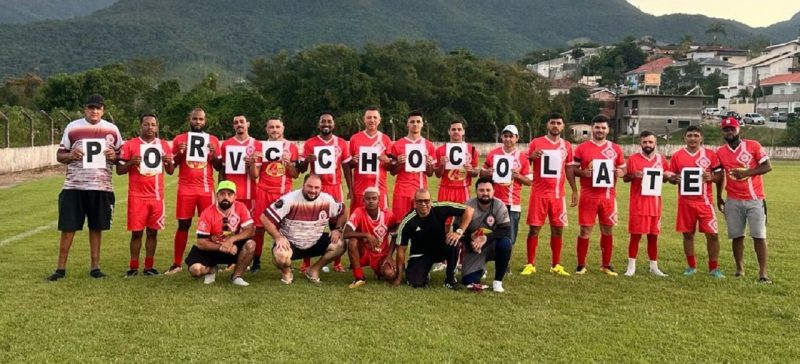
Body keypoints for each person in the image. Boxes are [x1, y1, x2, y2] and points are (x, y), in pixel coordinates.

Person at [47, 94, 123, 281]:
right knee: (68, 228)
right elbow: (60, 155)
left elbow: (120, 156)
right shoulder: (73, 127)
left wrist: (113, 155)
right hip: (74, 186)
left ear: (103, 110)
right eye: (91, 107)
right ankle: (60, 268)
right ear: (85, 109)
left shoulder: (112, 130)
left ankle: (95, 267)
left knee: (96, 227)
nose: (94, 111)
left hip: (101, 186)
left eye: (98, 108)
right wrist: (71, 155)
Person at [165, 108, 222, 275]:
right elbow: (171, 167)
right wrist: (178, 153)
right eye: (195, 119)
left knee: (211, 227)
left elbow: (218, 166)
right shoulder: (179, 139)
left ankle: (212, 261)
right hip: (185, 189)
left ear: (205, 121)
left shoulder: (212, 140)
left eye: (201, 119)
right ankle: (176, 263)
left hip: (205, 189)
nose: (198, 122)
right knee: (183, 225)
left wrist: (212, 156)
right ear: (189, 120)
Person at [260, 174, 347, 284]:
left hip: (314, 241)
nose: (313, 191)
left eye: (316, 188)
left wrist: (338, 229)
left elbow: (344, 211)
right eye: (309, 187)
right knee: (280, 257)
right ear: (303, 185)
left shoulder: (327, 199)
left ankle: (313, 269)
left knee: (341, 244)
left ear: (321, 188)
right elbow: (264, 218)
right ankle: (286, 272)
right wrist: (278, 237)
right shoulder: (289, 199)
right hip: (291, 243)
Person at [716, 117, 773, 283]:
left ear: (738, 129)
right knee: (737, 236)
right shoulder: (720, 152)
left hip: (755, 198)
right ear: (723, 132)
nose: (729, 132)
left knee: (759, 236)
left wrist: (746, 173)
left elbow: (767, 166)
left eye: (732, 128)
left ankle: (763, 273)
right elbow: (720, 176)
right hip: (733, 199)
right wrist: (719, 196)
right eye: (726, 129)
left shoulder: (753, 145)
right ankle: (739, 269)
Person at [117, 114, 175, 277]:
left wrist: (168, 161)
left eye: (153, 125)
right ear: (140, 126)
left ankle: (149, 266)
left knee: (152, 232)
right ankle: (133, 266)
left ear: (157, 127)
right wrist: (131, 163)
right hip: (137, 196)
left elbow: (170, 171)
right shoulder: (130, 145)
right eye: (146, 124)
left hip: (156, 196)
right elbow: (119, 170)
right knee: (136, 233)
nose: (150, 128)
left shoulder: (163, 145)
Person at [570, 114, 626, 276]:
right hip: (588, 195)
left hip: (608, 195)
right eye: (597, 127)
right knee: (585, 230)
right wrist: (583, 172)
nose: (600, 130)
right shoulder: (582, 148)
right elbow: (573, 169)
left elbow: (624, 169)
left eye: (603, 127)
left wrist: (620, 172)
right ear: (592, 128)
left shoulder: (615, 148)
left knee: (607, 230)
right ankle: (581, 264)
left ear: (608, 130)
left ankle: (606, 265)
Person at [297, 111, 353, 273]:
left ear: (334, 125)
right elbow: (301, 169)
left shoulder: (341, 143)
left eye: (329, 122)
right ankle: (306, 262)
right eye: (323, 122)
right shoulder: (310, 143)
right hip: (316, 189)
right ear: (318, 125)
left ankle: (336, 262)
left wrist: (350, 188)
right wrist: (307, 161)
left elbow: (346, 166)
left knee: (337, 224)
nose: (326, 124)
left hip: (335, 187)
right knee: (311, 224)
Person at [521, 112, 576, 276]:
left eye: (559, 123)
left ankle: (556, 264)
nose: (555, 126)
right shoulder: (536, 142)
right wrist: (531, 156)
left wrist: (574, 189)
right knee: (534, 230)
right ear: (547, 125)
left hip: (558, 196)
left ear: (563, 126)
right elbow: (525, 162)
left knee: (558, 230)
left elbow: (569, 168)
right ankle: (530, 263)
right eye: (553, 123)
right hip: (538, 194)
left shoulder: (566, 145)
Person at [667, 125, 724, 278]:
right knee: (687, 234)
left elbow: (720, 175)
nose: (693, 138)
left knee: (712, 234)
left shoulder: (710, 155)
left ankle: (714, 268)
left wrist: (711, 177)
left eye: (696, 135)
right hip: (685, 202)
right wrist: (674, 179)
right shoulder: (677, 156)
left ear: (701, 138)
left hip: (705, 202)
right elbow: (670, 177)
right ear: (684, 138)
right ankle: (691, 266)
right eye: (690, 135)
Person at [394, 189, 474, 288]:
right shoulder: (408, 221)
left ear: (431, 201)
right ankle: (424, 273)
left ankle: (450, 280)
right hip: (420, 254)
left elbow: (469, 210)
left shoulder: (440, 208)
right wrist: (398, 278)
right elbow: (401, 250)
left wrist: (459, 232)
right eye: (420, 201)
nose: (423, 204)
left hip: (439, 249)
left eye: (426, 201)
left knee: (453, 242)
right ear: (415, 202)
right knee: (415, 283)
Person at [251, 117, 299, 272]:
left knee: (283, 229)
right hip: (264, 192)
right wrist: (253, 161)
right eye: (271, 127)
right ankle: (256, 262)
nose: (274, 130)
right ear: (266, 129)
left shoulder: (291, 147)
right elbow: (254, 175)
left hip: (283, 194)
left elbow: (295, 174)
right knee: (259, 229)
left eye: (277, 127)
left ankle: (281, 257)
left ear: (283, 128)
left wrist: (289, 163)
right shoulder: (260, 146)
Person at [184, 181, 255, 286]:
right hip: (211, 249)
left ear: (235, 196)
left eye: (229, 194)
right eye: (222, 194)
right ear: (217, 196)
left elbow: (250, 230)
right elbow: (201, 243)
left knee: (251, 244)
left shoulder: (241, 207)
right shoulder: (207, 213)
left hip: (233, 248)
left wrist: (231, 240)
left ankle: (237, 276)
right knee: (196, 270)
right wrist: (222, 246)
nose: (225, 197)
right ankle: (211, 269)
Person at [432, 119, 480, 272]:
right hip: (445, 188)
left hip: (463, 189)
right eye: (453, 129)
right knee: (444, 225)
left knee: (463, 224)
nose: (456, 132)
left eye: (459, 129)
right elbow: (437, 174)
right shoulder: (441, 150)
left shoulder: (471, 150)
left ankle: (462, 260)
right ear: (449, 131)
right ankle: (444, 259)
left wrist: (470, 169)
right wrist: (441, 164)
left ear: (463, 131)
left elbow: (475, 172)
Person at [621, 130, 669, 277]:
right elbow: (625, 179)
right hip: (638, 203)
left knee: (653, 235)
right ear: (640, 143)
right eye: (645, 142)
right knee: (635, 235)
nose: (648, 145)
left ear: (655, 143)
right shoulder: (633, 159)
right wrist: (633, 175)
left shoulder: (661, 160)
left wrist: (666, 176)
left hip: (655, 204)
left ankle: (653, 266)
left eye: (650, 142)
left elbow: (666, 178)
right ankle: (631, 266)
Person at [455, 177, 512, 293]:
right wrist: (469, 241)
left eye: (488, 190)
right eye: (481, 190)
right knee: (468, 281)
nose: (485, 193)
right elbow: (456, 229)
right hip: (474, 247)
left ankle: (498, 282)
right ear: (476, 191)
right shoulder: (467, 205)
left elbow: (505, 229)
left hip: (492, 245)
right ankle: (480, 269)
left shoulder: (499, 205)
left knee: (505, 243)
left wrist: (486, 238)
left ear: (493, 191)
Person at [480, 125, 532, 248]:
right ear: (502, 137)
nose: (508, 139)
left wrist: (518, 176)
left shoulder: (523, 158)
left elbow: (529, 181)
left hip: (513, 203)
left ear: (517, 138)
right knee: (489, 233)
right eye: (505, 136)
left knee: (509, 237)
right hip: (493, 201)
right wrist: (488, 173)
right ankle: (484, 263)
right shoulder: (493, 154)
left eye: (511, 136)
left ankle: (505, 263)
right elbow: (481, 173)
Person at [343, 187, 398, 288]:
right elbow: (346, 233)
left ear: (379, 200)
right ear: (363, 200)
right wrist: (366, 235)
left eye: (374, 198)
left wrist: (389, 256)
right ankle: (359, 277)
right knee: (352, 242)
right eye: (368, 199)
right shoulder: (358, 212)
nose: (371, 201)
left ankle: (378, 271)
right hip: (364, 252)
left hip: (381, 254)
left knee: (391, 275)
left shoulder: (388, 215)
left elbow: (395, 236)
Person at [389, 110, 436, 220]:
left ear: (422, 124)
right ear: (407, 124)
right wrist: (399, 163)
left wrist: (429, 164)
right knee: (399, 223)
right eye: (412, 121)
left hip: (420, 190)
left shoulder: (428, 145)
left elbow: (429, 174)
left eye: (418, 122)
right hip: (402, 190)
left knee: (421, 223)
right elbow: (392, 172)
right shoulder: (398, 144)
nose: (415, 124)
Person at [348, 106, 393, 211]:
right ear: (364, 119)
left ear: (379, 120)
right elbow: (348, 164)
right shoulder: (355, 138)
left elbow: (390, 168)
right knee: (358, 222)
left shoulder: (385, 139)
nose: (372, 120)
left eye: (374, 117)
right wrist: (354, 161)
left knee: (381, 221)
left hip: (379, 188)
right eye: (369, 117)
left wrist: (387, 161)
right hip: (359, 189)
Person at [219, 114, 261, 217]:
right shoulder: (226, 144)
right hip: (230, 193)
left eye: (242, 121)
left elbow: (255, 175)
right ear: (233, 126)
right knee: (230, 227)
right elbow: (222, 170)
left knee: (250, 226)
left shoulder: (257, 144)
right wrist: (220, 190)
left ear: (248, 124)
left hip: (250, 193)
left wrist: (252, 164)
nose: (239, 124)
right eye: (236, 122)